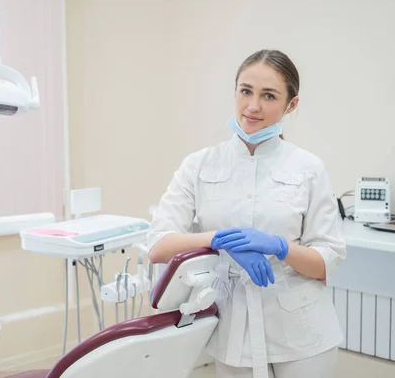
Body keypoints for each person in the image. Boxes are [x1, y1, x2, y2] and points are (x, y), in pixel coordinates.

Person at [147, 49, 346, 378]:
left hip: (302, 330)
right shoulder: (199, 165)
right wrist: (220, 240)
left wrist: (280, 247)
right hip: (232, 326)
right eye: (245, 91)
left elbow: (327, 260)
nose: (253, 106)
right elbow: (158, 246)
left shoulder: (308, 168)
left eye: (269, 95)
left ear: (291, 105)